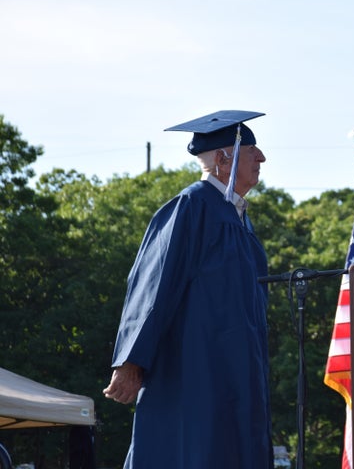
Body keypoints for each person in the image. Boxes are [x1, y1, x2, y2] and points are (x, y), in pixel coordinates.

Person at [103, 110, 273, 468]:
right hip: (195, 372)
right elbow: (152, 285)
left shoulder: (241, 221)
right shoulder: (191, 207)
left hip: (239, 376)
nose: (262, 158)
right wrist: (131, 361)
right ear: (223, 160)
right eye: (253, 150)